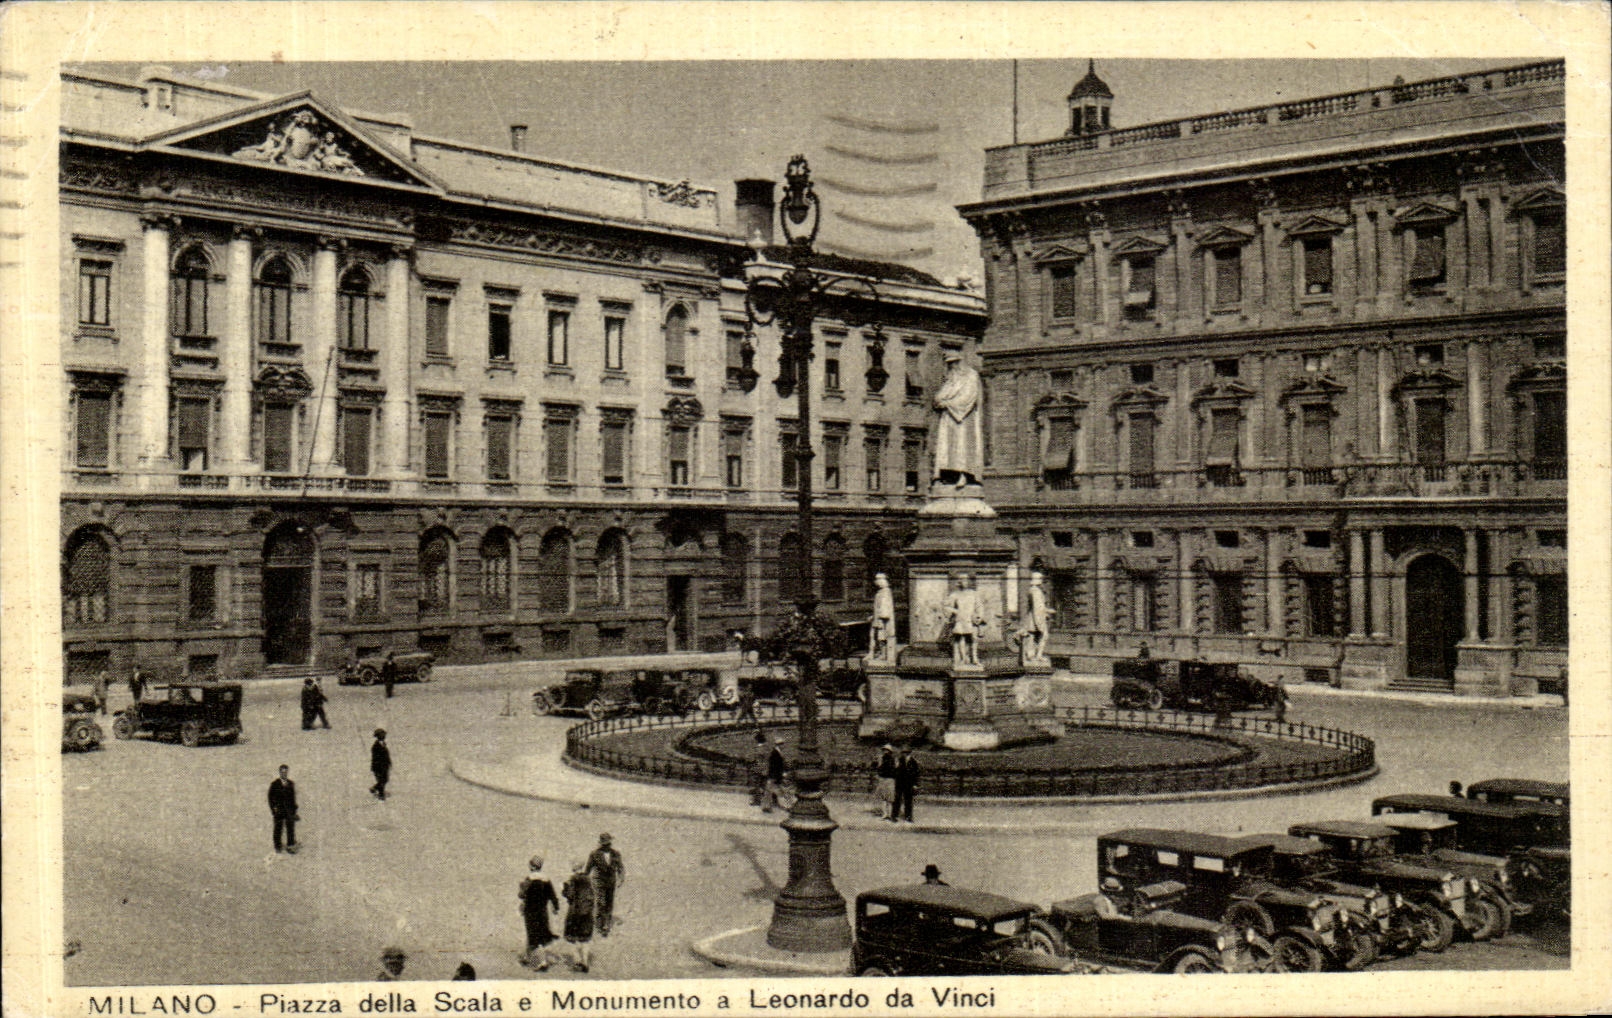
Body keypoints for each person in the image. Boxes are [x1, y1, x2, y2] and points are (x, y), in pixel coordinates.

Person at [932, 351, 983, 491]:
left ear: (959, 362)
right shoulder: (950, 379)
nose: (952, 366)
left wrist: (947, 404)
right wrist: (940, 402)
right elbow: (938, 397)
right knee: (946, 448)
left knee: (962, 448)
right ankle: (947, 475)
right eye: (949, 363)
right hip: (948, 419)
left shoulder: (971, 376)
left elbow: (968, 397)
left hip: (964, 419)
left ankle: (964, 475)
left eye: (954, 362)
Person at [518, 856, 559, 970]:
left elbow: (521, 894)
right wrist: (556, 907)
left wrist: (521, 887)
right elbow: (553, 895)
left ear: (531, 866)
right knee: (536, 934)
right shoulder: (546, 879)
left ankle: (543, 962)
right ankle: (526, 957)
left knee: (534, 936)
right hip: (542, 911)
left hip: (530, 911)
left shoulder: (529, 879)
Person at [585, 834, 626, 936]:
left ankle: (606, 924)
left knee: (609, 903)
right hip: (598, 882)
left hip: (611, 882)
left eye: (608, 844)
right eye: (604, 844)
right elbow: (588, 869)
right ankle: (599, 925)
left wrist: (621, 878)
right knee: (600, 903)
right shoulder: (594, 854)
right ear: (601, 844)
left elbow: (620, 867)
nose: (607, 846)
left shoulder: (616, 854)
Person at [562, 862, 595, 973]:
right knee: (585, 939)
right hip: (587, 913)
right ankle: (585, 962)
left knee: (573, 939)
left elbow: (570, 895)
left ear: (574, 868)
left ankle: (577, 962)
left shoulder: (573, 879)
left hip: (575, 913)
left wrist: (564, 889)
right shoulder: (588, 879)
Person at [944, 574, 983, 667]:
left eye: (965, 580)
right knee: (961, 638)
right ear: (959, 582)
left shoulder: (974, 594)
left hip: (971, 619)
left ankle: (974, 658)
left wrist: (979, 616)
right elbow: (946, 606)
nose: (964, 582)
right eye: (961, 580)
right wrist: (956, 612)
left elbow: (979, 606)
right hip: (960, 619)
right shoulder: (955, 595)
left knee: (973, 639)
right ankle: (962, 659)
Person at [1020, 572, 1050, 664]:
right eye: (1040, 578)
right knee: (1044, 635)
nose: (1041, 580)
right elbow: (1038, 608)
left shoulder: (1032, 590)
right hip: (1036, 618)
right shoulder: (1036, 591)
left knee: (1032, 637)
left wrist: (1046, 611)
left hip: (1032, 618)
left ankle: (1031, 655)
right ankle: (1037, 655)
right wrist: (1040, 621)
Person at [268, 764, 298, 854]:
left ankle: (290, 846)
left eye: (285, 772)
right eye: (282, 772)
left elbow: (293, 798)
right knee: (278, 828)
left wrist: (294, 810)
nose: (284, 774)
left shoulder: (290, 784)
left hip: (289, 810)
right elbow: (270, 798)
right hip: (279, 810)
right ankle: (278, 846)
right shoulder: (274, 784)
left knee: (290, 828)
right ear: (279, 772)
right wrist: (274, 809)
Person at [869, 573, 896, 662]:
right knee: (878, 637)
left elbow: (884, 608)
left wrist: (880, 618)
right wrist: (874, 616)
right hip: (879, 619)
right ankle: (880, 653)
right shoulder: (880, 592)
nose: (876, 582)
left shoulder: (885, 592)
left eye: (878, 580)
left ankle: (884, 654)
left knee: (882, 637)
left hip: (883, 621)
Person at [894, 746, 920, 824]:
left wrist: (915, 784)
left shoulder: (913, 762)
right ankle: (894, 816)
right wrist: (896, 766)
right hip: (900, 783)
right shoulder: (900, 760)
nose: (904, 754)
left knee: (908, 801)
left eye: (906, 753)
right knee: (897, 800)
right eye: (903, 753)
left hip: (909, 784)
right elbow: (896, 771)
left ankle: (908, 817)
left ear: (909, 753)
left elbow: (916, 774)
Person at [763, 736, 788, 814]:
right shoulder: (775, 753)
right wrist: (780, 774)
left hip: (774, 775)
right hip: (774, 775)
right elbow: (774, 765)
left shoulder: (777, 752)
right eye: (782, 744)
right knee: (771, 791)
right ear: (779, 745)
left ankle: (768, 806)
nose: (784, 746)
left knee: (770, 791)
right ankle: (767, 807)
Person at [875, 744, 898, 821]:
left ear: (890, 751)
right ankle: (885, 814)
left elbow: (896, 768)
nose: (885, 751)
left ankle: (890, 814)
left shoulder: (894, 759)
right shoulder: (881, 758)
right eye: (884, 750)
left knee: (890, 799)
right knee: (883, 798)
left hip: (890, 779)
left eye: (887, 750)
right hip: (883, 779)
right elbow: (879, 768)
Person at [370, 729, 392, 800]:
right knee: (382, 780)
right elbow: (376, 758)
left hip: (384, 766)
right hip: (378, 767)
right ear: (378, 736)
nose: (384, 736)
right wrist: (379, 766)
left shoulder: (383, 744)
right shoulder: (375, 746)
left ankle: (375, 788)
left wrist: (388, 763)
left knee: (384, 779)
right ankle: (381, 795)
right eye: (383, 735)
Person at [749, 731, 769, 806]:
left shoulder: (760, 748)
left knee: (757, 785)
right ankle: (762, 800)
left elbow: (758, 759)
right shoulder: (766, 747)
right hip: (764, 769)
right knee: (762, 786)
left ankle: (757, 800)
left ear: (757, 740)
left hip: (759, 769)